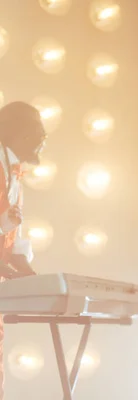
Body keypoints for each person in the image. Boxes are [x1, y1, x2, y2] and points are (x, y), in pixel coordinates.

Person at [0, 101, 47, 400]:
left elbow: (13, 237)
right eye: (39, 128)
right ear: (23, 133)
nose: (44, 137)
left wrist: (31, 275)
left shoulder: (13, 173)